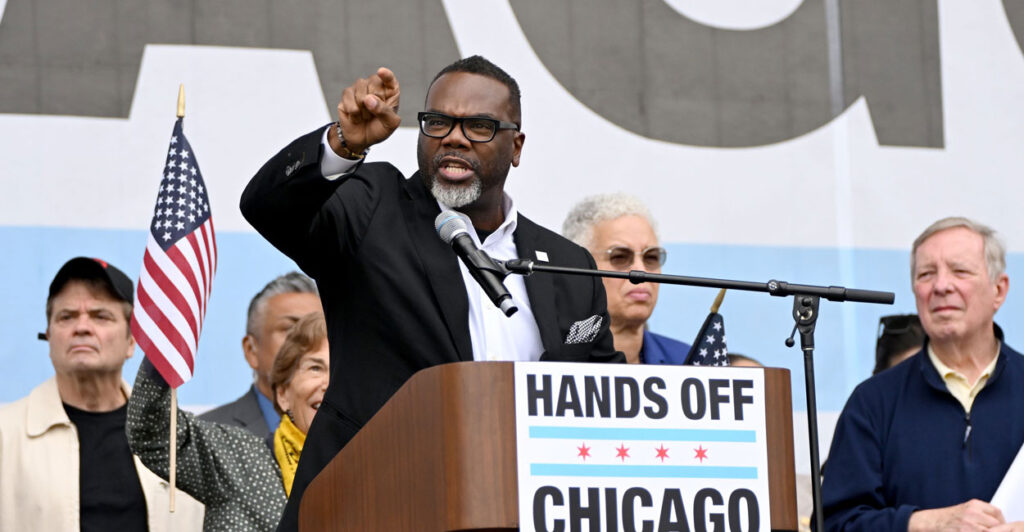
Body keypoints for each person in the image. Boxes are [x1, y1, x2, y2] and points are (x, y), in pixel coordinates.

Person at [241, 55, 622, 531]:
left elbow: (604, 397)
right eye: (439, 122)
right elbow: (266, 206)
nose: (455, 137)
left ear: (517, 146)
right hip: (376, 504)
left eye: (479, 126)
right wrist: (342, 144)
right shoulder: (373, 208)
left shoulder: (567, 263)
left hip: (522, 509)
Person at [822, 217, 1024, 530]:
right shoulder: (873, 402)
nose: (941, 286)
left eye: (960, 271)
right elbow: (835, 523)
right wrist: (926, 523)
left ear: (999, 290)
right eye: (926, 274)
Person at [0, 257, 204, 531]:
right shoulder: (5, 434)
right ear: (48, 337)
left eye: (100, 316)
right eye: (66, 316)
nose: (82, 327)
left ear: (132, 342)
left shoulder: (176, 439)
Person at [127, 312, 329, 531]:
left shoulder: (369, 476)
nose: (330, 385)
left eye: (339, 373)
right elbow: (153, 432)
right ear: (283, 394)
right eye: (315, 368)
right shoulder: (238, 458)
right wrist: (167, 338)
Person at [563, 193, 690, 364]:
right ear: (578, 266)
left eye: (651, 257)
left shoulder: (686, 361)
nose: (641, 271)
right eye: (620, 257)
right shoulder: (551, 358)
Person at [200, 272, 321, 439]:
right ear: (251, 350)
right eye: (290, 329)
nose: (306, 341)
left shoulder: (353, 432)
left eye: (318, 331)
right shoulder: (206, 436)